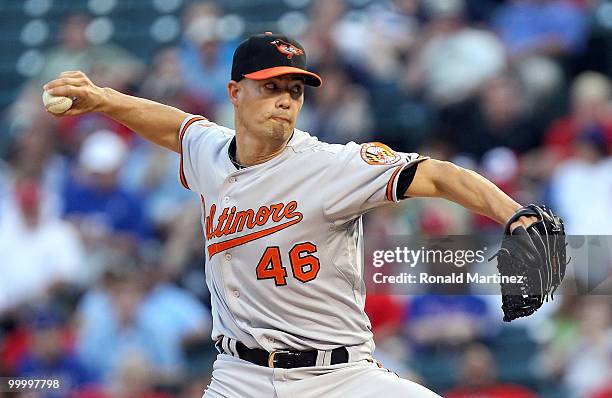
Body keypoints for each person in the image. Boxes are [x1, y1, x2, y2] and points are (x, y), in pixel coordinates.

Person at [44, 32, 538, 397]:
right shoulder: (210, 153)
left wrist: (516, 216)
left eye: (295, 90)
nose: (285, 99)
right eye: (270, 86)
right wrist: (102, 98)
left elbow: (435, 175)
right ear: (235, 93)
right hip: (240, 378)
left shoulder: (330, 165)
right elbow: (176, 128)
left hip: (338, 377)